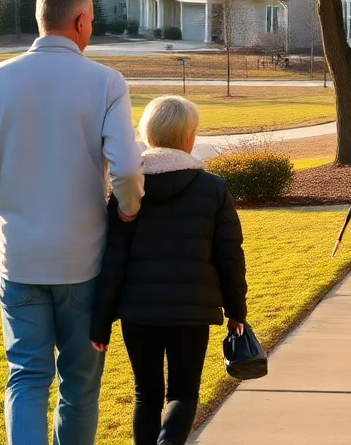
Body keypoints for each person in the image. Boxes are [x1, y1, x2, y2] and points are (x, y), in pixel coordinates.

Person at [0, 0, 144, 445]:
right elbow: (128, 169)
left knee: (26, 377)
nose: (92, 28)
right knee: (80, 383)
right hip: (83, 259)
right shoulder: (105, 83)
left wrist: (5, 192)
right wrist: (129, 211)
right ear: (79, 22)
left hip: (18, 257)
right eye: (92, 20)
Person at [90, 96, 247, 445]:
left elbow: (111, 259)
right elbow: (229, 256)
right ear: (189, 137)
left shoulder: (128, 190)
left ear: (148, 134)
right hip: (192, 311)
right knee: (184, 395)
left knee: (146, 396)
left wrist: (100, 322)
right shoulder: (213, 188)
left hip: (138, 311)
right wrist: (237, 311)